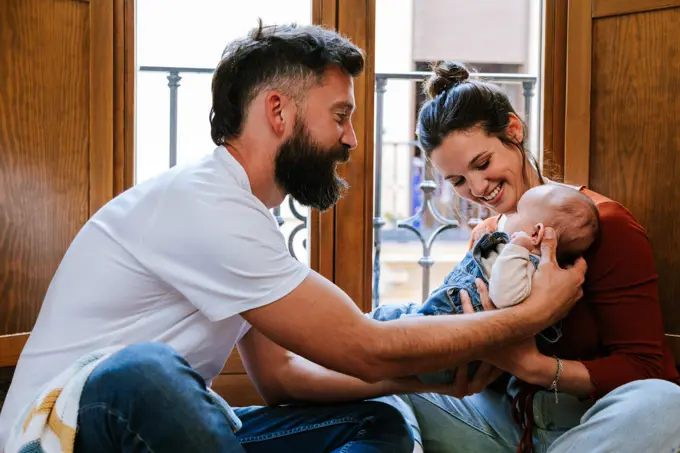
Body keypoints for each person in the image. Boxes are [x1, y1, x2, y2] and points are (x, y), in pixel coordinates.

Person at [0, 25, 587, 452]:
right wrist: (531, 314)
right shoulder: (202, 203)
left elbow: (280, 378)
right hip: (69, 431)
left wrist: (417, 384)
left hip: (160, 432)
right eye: (340, 115)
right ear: (278, 111)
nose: (353, 139)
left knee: (378, 421)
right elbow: (360, 346)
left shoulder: (248, 218)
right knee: (143, 372)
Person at [375, 61, 680, 453]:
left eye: (482, 164)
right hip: (501, 423)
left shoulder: (605, 225)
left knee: (665, 405)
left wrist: (529, 365)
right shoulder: (487, 238)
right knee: (375, 370)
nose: (478, 188)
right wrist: (468, 345)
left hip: (587, 428)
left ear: (514, 131)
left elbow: (647, 368)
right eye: (458, 181)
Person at [369, 184, 600, 385]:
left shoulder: (526, 263)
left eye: (517, 213)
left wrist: (517, 247)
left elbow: (504, 296)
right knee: (384, 316)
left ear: (536, 233)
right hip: (438, 319)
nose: (507, 216)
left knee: (384, 343)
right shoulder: (513, 252)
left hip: (447, 351)